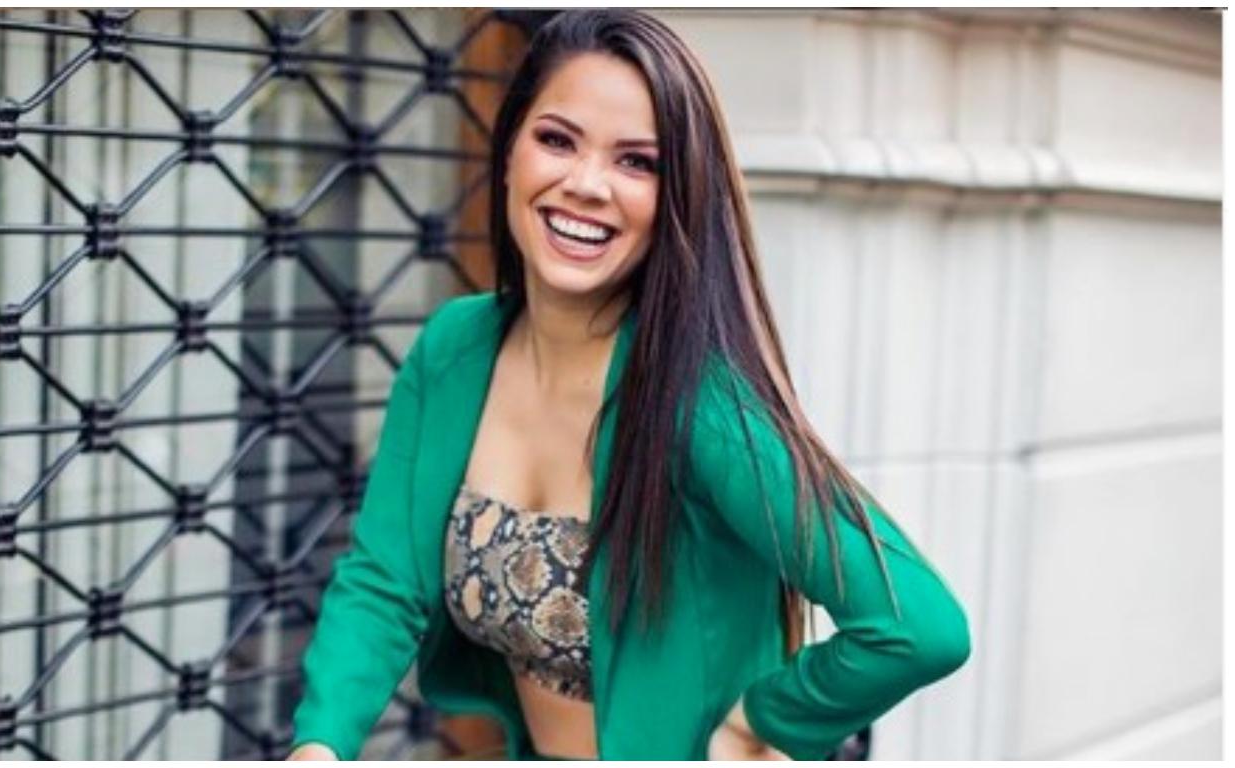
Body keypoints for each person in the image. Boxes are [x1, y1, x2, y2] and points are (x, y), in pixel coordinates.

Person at [288, 9, 970, 761]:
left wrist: (761, 720)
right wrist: (320, 744)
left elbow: (919, 627)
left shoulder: (700, 403)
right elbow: (385, 580)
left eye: (637, 162)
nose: (586, 184)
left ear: (678, 197)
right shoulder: (455, 349)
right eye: (557, 140)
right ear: (509, 149)